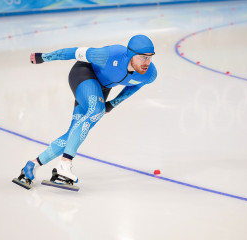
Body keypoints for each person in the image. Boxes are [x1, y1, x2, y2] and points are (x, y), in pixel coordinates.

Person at [13, 34, 157, 190]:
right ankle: (64, 165)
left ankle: (31, 166)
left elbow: (135, 85)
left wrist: (113, 104)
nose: (147, 62)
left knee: (76, 131)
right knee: (96, 110)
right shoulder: (108, 55)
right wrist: (44, 57)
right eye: (143, 57)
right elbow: (74, 52)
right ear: (130, 54)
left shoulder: (149, 74)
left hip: (102, 88)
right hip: (83, 74)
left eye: (150, 58)